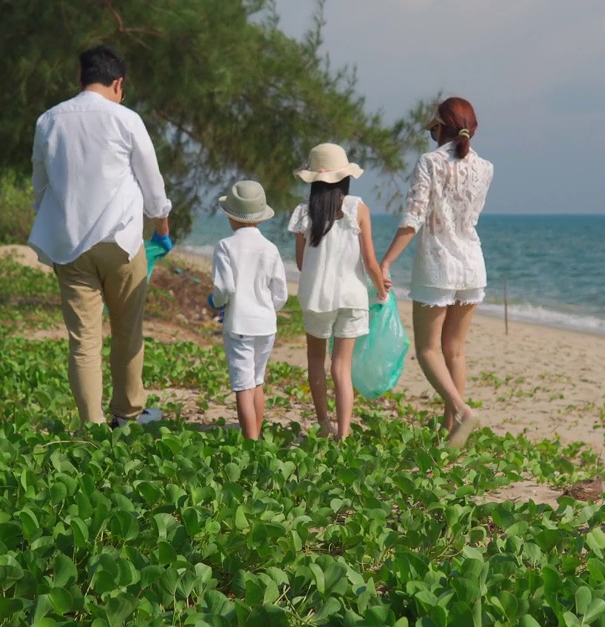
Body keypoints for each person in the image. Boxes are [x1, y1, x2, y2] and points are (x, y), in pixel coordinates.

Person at [27, 44, 172, 429]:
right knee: (127, 332)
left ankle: (91, 426)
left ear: (81, 80)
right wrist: (162, 227)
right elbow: (153, 185)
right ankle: (126, 414)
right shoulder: (126, 120)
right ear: (118, 83)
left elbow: (39, 189)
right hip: (121, 243)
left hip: (70, 248)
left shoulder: (49, 121)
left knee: (84, 342)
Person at [379, 97, 494, 448]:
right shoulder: (486, 167)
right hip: (472, 263)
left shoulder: (429, 162)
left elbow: (413, 218)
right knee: (455, 350)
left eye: (433, 130)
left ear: (440, 129)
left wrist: (385, 262)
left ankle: (460, 411)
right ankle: (449, 431)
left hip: (438, 265)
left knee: (428, 349)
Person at [289, 143, 387, 439]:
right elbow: (370, 261)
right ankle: (343, 434)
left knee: (316, 360)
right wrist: (381, 289)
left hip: (317, 296)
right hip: (352, 296)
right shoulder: (358, 208)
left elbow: (301, 262)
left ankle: (323, 424)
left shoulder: (304, 213)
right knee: (342, 368)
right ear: (345, 178)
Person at [211, 180, 288, 440]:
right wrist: (267, 308)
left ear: (231, 217)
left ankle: (251, 442)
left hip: (239, 324)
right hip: (266, 324)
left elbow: (224, 288)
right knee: (257, 381)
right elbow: (281, 294)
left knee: (243, 386)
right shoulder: (271, 249)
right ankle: (257, 433)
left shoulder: (225, 246)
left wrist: (217, 302)